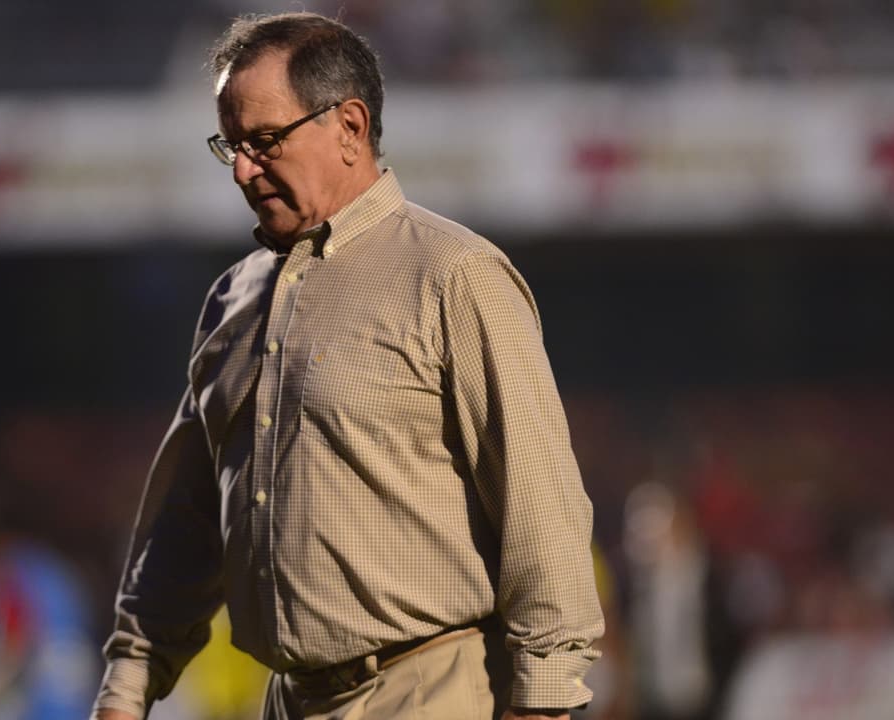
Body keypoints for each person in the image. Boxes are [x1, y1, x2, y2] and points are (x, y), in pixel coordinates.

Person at [94, 12, 602, 720]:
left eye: (265, 141)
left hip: (437, 689)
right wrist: (125, 690)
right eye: (231, 146)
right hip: (289, 699)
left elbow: (540, 505)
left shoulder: (455, 274)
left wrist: (544, 701)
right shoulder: (232, 300)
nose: (243, 169)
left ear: (350, 127)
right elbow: (183, 524)